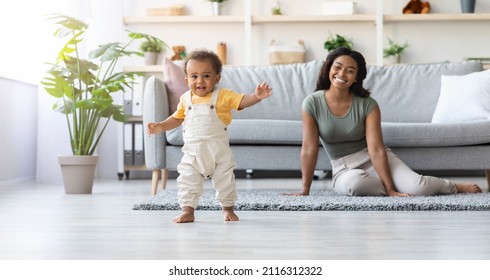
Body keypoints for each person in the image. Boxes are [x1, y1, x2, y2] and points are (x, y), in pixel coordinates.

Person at [291, 47, 481, 197]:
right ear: (329, 68)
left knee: (418, 187)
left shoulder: (368, 105)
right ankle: (392, 184)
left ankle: (451, 186)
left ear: (356, 77)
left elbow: (376, 148)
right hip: (344, 169)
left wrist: (391, 190)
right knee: (355, 185)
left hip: (374, 158)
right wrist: (305, 189)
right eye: (337, 67)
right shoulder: (312, 103)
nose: (342, 74)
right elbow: (309, 148)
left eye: (350, 70)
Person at [146, 49, 272, 223]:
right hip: (193, 154)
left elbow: (241, 101)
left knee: (225, 182)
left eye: (206, 76)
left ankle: (227, 208)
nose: (200, 81)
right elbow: (177, 118)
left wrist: (256, 97)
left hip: (218, 154)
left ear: (217, 78)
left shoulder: (223, 95)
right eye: (194, 76)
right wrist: (161, 126)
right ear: (186, 80)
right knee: (188, 181)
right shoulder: (185, 99)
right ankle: (188, 210)